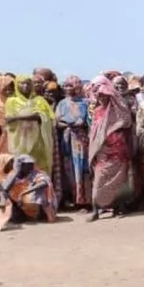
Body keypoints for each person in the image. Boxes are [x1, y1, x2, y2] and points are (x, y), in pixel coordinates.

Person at [88, 76, 134, 221]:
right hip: (102, 151)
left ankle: (117, 208)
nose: (101, 98)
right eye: (99, 96)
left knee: (118, 180)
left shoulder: (118, 110)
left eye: (104, 95)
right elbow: (94, 132)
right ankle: (95, 210)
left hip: (118, 151)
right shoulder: (97, 111)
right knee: (98, 181)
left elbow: (126, 122)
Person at [0, 154, 57, 231]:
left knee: (41, 190)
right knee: (1, 188)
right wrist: (3, 200)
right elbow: (4, 188)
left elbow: (43, 183)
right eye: (28, 165)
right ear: (20, 166)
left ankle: (41, 215)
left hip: (38, 206)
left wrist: (24, 193)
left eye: (31, 164)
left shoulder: (37, 173)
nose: (31, 166)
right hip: (22, 204)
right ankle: (18, 215)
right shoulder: (14, 175)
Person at [4, 75, 56, 178]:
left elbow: (46, 117)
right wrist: (29, 116)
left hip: (37, 141)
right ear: (17, 85)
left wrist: (18, 117)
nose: (25, 86)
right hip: (19, 142)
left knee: (38, 167)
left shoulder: (39, 100)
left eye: (28, 83)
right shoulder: (11, 101)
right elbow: (8, 120)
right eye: (22, 83)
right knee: (21, 167)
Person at [55, 76, 92, 208]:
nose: (67, 88)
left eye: (70, 85)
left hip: (82, 140)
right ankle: (75, 200)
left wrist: (81, 124)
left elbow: (89, 121)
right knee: (69, 169)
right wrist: (68, 125)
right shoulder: (61, 104)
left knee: (83, 169)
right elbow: (57, 122)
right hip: (67, 140)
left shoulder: (85, 102)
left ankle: (86, 201)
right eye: (65, 85)